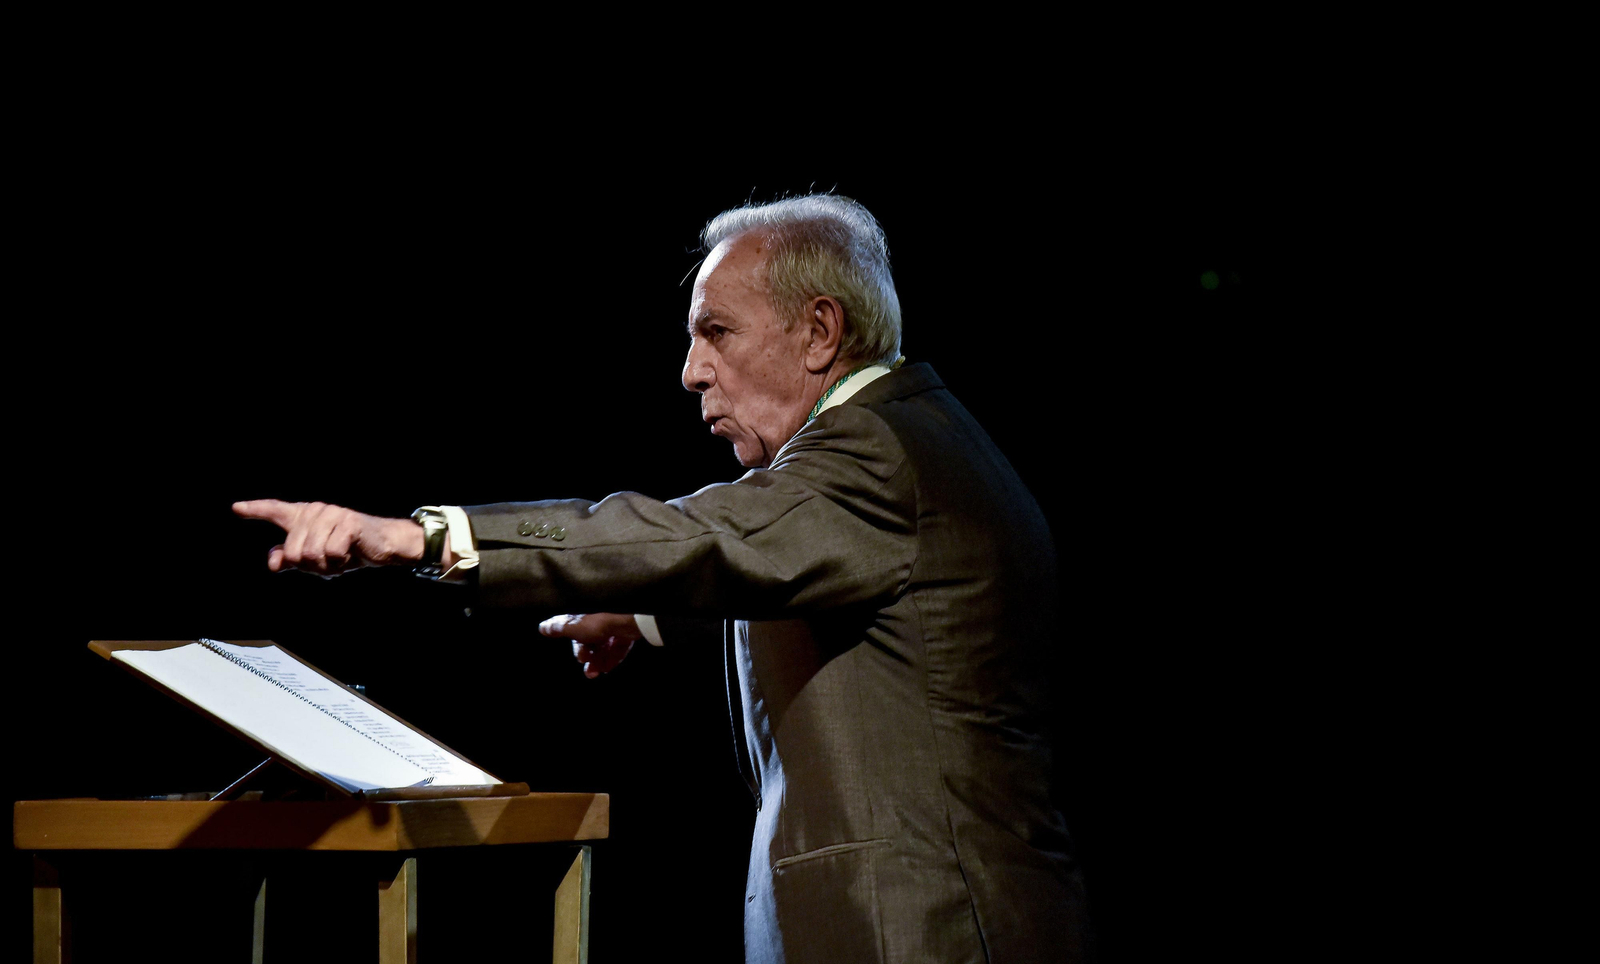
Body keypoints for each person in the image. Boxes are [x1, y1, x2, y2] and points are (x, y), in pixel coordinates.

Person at [235, 194, 1090, 963]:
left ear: (821, 331)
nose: (691, 371)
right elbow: (834, 582)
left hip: (922, 927)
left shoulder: (874, 454)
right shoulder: (911, 440)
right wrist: (645, 619)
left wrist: (420, 538)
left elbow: (702, 534)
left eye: (717, 331)